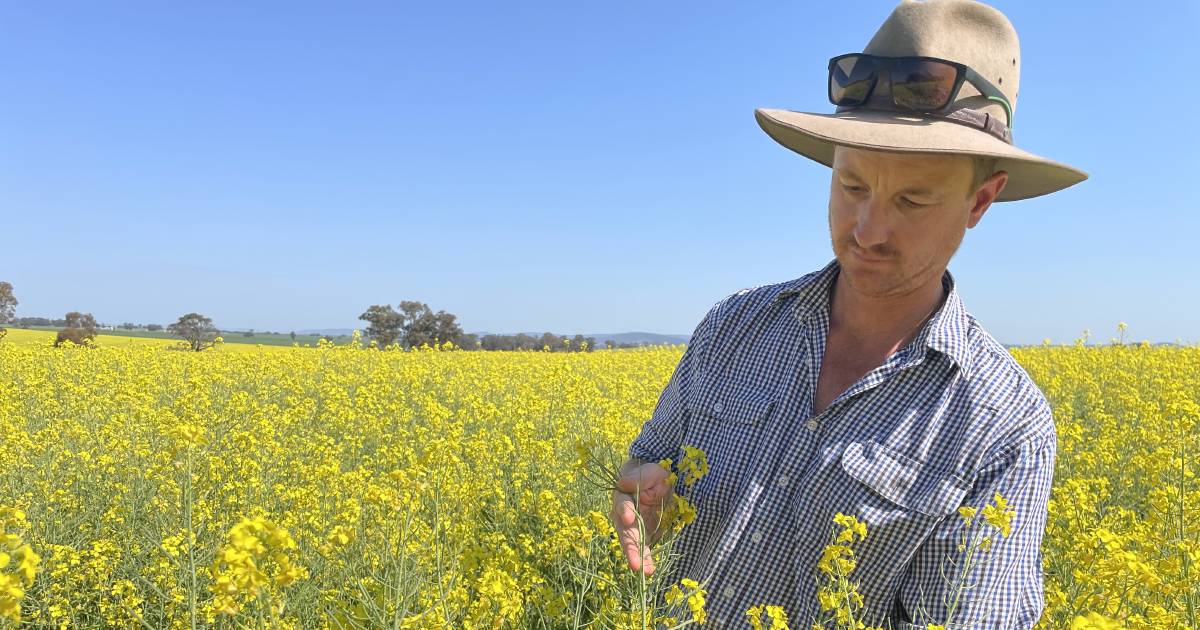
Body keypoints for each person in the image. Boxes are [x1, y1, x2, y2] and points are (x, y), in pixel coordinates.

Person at [609, 0, 1087, 627]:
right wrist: (643, 492)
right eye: (852, 186)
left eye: (913, 200)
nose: (868, 230)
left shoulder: (1002, 426)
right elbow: (651, 470)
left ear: (981, 201)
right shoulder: (733, 327)